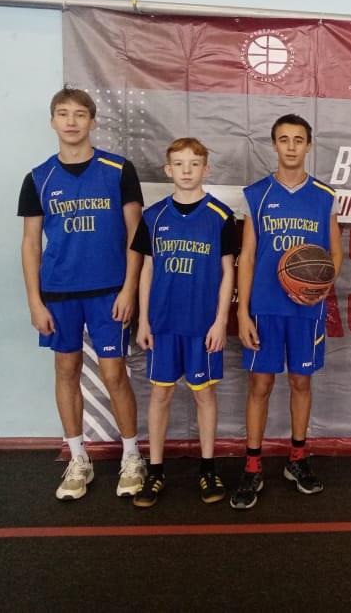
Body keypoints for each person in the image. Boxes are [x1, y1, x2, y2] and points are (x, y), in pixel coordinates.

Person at [18, 87, 146, 500]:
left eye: (79, 114)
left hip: (109, 291)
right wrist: (35, 301)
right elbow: (31, 244)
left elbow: (136, 235)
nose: (71, 121)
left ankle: (132, 456)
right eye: (63, 113)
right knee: (66, 370)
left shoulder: (118, 169)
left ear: (93, 121)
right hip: (59, 293)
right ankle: (78, 459)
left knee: (114, 373)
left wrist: (129, 289)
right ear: (52, 121)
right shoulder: (38, 178)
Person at [230, 114, 343, 510]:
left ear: (309, 145)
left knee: (300, 382)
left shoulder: (324, 195)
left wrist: (321, 288)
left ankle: (297, 459)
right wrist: (242, 312)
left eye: (298, 139)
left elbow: (335, 252)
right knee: (260, 385)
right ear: (274, 144)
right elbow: (246, 256)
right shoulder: (257, 194)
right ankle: (252, 466)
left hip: (306, 309)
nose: (291, 146)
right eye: (284, 139)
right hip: (264, 307)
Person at [131, 138, 237, 507]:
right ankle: (155, 471)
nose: (187, 170)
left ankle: (208, 469)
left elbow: (228, 272)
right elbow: (146, 270)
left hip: (202, 325)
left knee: (204, 394)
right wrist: (143, 321)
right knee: (160, 394)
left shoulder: (221, 216)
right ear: (168, 169)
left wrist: (221, 321)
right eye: (179, 164)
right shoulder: (153, 216)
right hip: (163, 323)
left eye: (194, 164)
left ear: (206, 169)